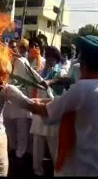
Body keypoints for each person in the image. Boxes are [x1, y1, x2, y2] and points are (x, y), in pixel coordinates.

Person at [25, 35, 98, 176]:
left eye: (82, 59)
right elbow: (65, 102)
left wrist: (20, 100)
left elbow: (47, 111)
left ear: (88, 63)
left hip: (84, 168)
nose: (79, 63)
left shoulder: (84, 88)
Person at [30, 45, 67, 177]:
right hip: (39, 113)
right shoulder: (40, 72)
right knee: (37, 145)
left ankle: (58, 170)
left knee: (54, 147)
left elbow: (63, 93)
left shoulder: (61, 73)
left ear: (57, 60)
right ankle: (37, 170)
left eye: (52, 58)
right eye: (48, 57)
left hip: (52, 113)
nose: (49, 60)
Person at [4, 39, 32, 160]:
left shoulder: (22, 61)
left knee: (22, 130)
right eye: (11, 47)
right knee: (10, 128)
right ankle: (13, 149)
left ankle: (21, 154)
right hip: (8, 101)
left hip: (20, 101)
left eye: (15, 47)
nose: (13, 49)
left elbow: (29, 78)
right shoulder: (5, 62)